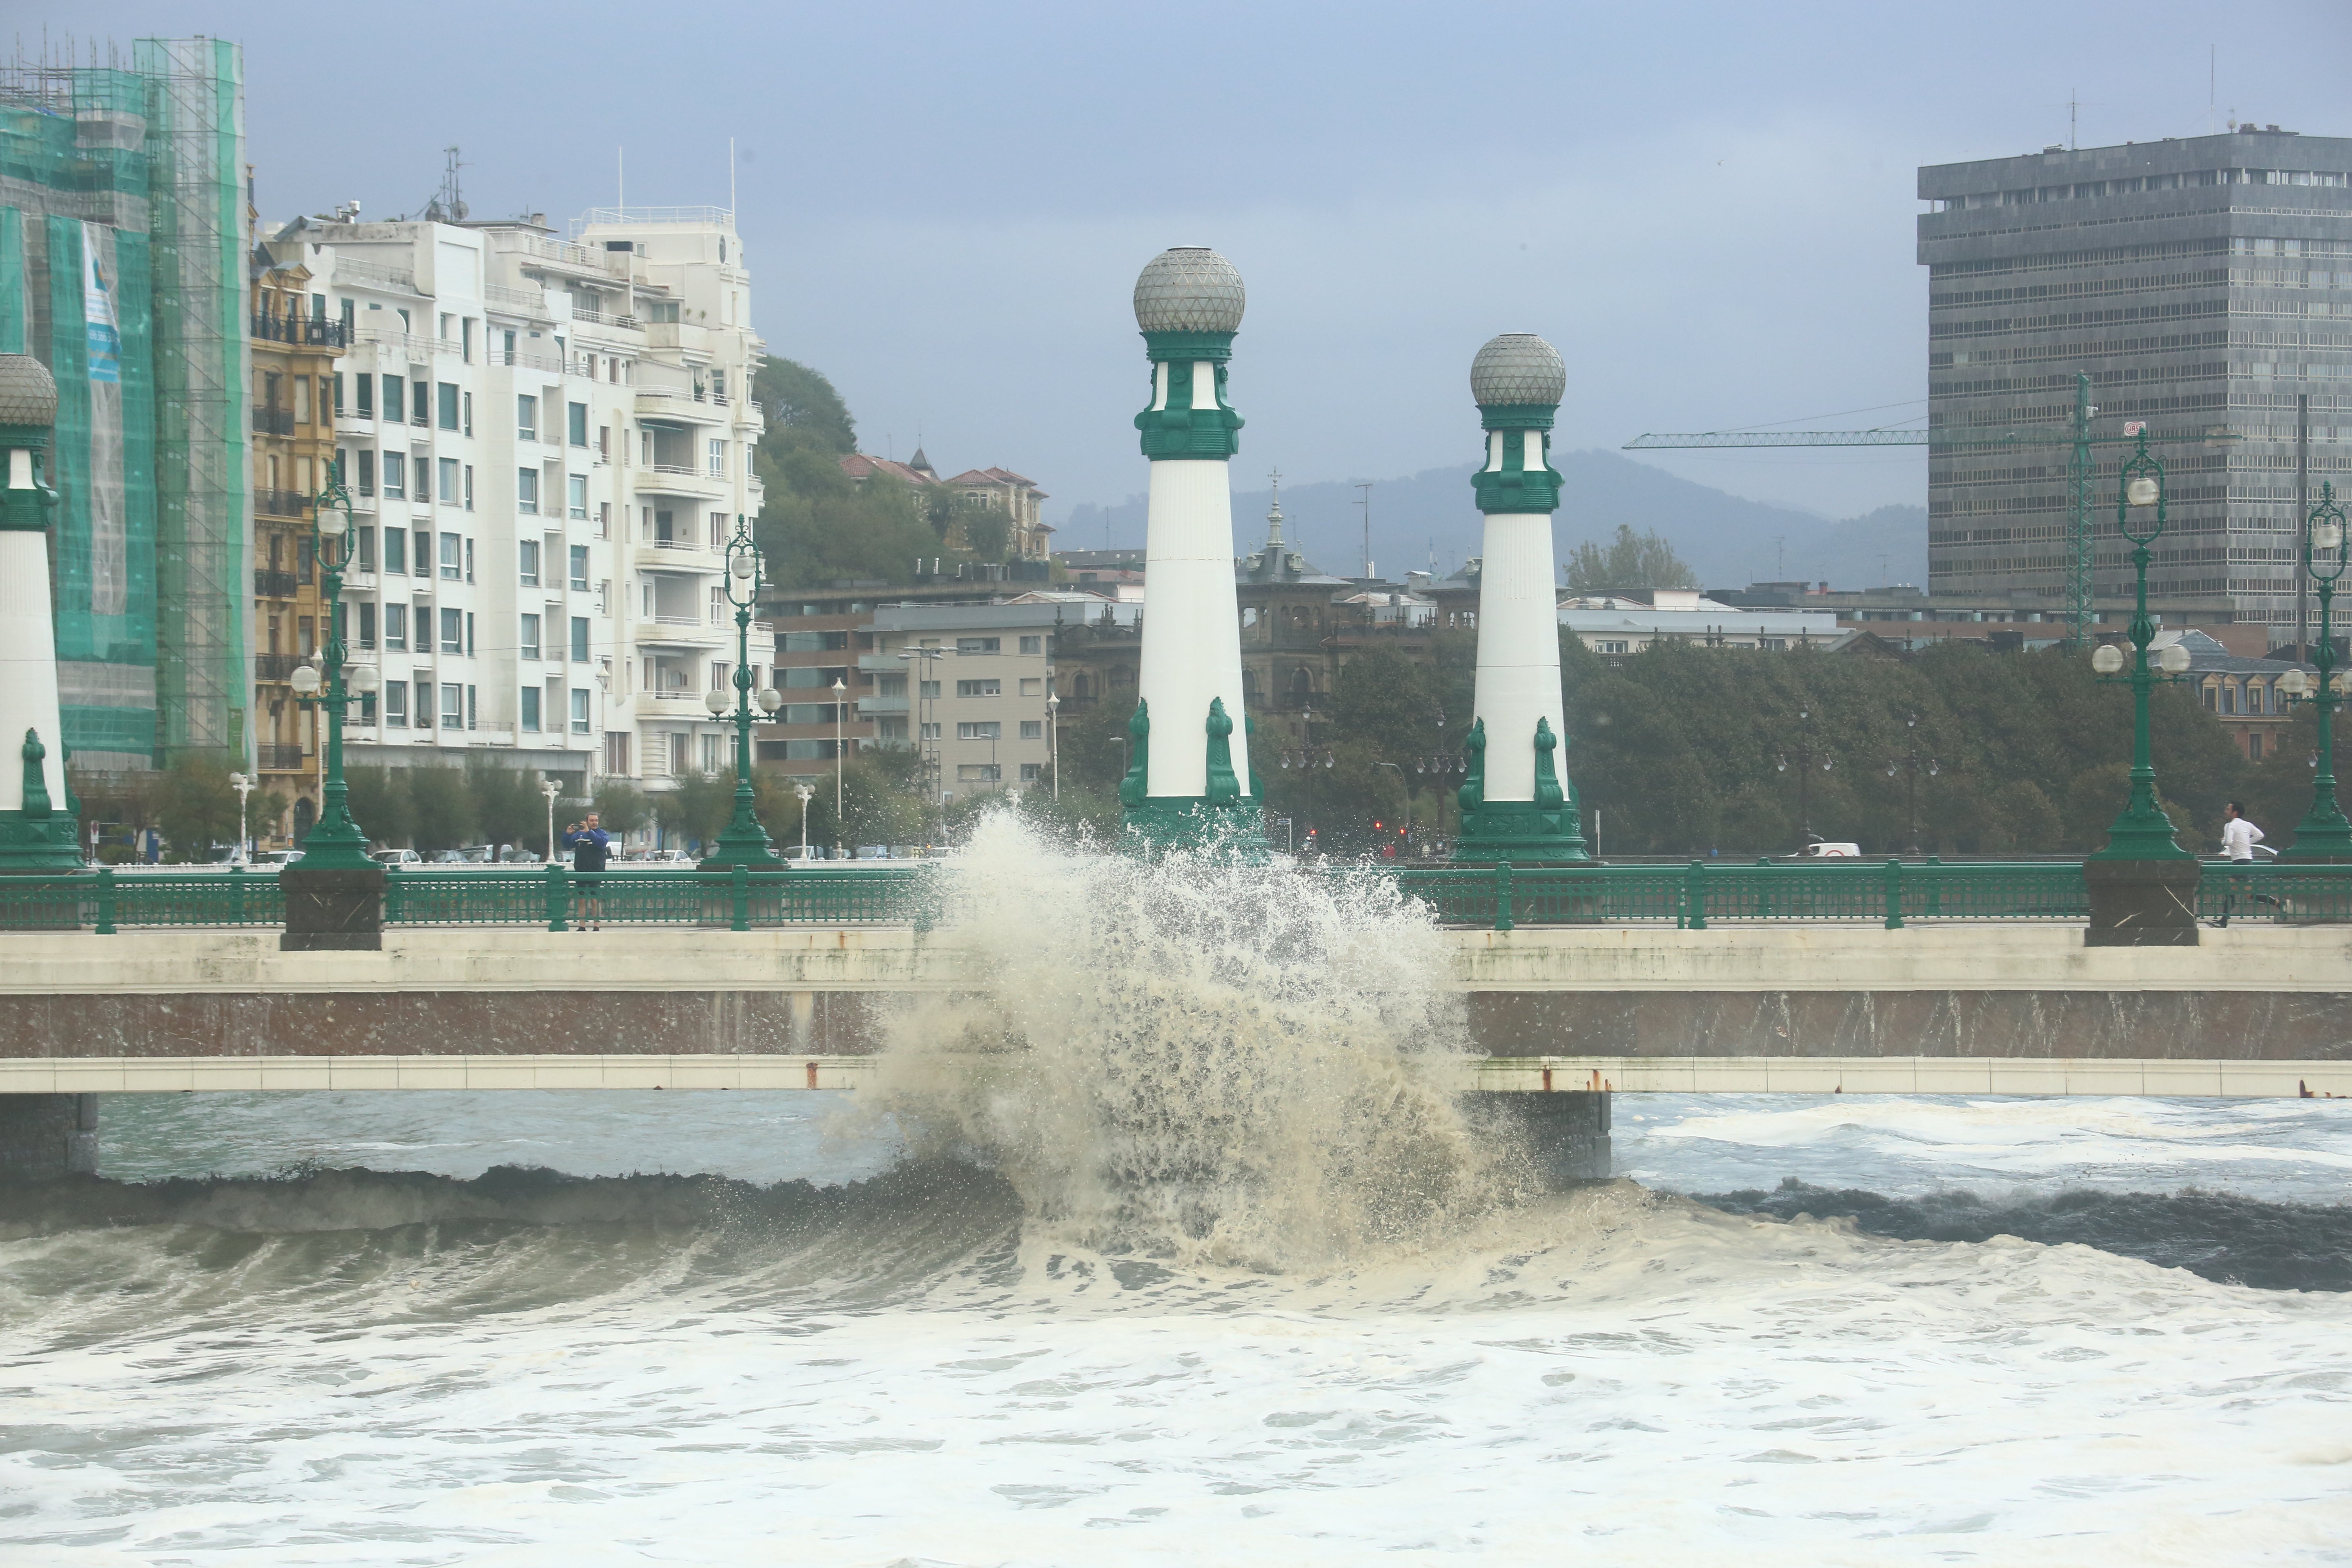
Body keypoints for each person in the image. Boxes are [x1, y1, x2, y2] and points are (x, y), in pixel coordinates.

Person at [2214, 800, 2273, 927]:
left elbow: (2228, 842)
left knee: (2231, 891)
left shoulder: (2229, 826)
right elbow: (2260, 835)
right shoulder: (2247, 825)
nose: (2226, 811)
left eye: (2228, 810)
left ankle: (2224, 921)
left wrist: (2222, 841)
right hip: (2247, 860)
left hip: (2238, 861)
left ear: (2235, 813)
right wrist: (2247, 842)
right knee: (2249, 894)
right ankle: (2277, 903)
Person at [561, 812, 610, 931]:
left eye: (596, 820)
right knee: (581, 899)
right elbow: (567, 845)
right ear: (586, 821)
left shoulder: (602, 833)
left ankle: (596, 926)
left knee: (595, 899)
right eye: (592, 820)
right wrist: (567, 835)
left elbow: (601, 844)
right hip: (581, 870)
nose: (594, 823)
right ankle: (582, 925)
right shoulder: (579, 835)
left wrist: (590, 832)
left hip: (596, 870)